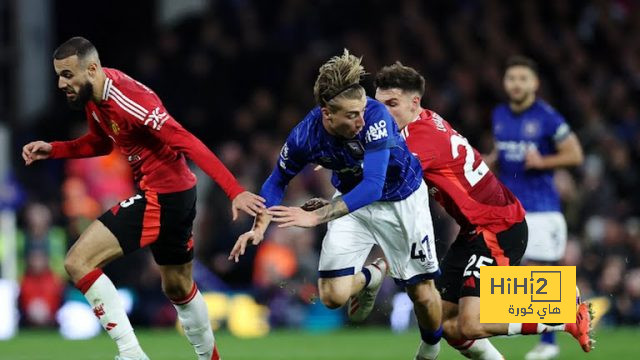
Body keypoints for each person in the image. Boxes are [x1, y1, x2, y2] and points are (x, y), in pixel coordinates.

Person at [21, 36, 265, 360]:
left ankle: (131, 354)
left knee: (77, 261)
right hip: (175, 195)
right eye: (59, 75)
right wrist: (55, 149)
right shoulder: (95, 97)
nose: (61, 83)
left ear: (92, 69)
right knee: (178, 288)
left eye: (68, 74)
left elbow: (185, 141)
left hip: (164, 196)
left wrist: (234, 190)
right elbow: (101, 144)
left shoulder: (128, 99)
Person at [229, 50, 444, 360]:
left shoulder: (376, 118)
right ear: (327, 114)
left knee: (422, 294)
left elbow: (373, 186)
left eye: (361, 111)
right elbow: (277, 180)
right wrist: (260, 224)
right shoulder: (305, 135)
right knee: (331, 296)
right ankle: (374, 274)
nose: (360, 119)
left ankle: (430, 350)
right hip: (351, 204)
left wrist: (317, 218)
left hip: (400, 200)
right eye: (351, 115)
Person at [374, 62, 593, 359]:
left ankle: (564, 309)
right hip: (476, 229)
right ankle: (552, 301)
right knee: (446, 325)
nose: (382, 113)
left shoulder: (418, 139)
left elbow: (383, 178)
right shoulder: (424, 122)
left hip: (498, 226)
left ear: (415, 103)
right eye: (378, 105)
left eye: (391, 104)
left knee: (471, 323)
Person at [490, 55, 584, 360]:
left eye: (522, 79)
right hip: (509, 208)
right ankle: (552, 326)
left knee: (538, 273)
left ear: (534, 83)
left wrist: (543, 162)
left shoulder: (548, 117)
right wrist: (487, 160)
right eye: (511, 78)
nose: (516, 84)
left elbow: (575, 154)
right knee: (508, 274)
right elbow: (501, 153)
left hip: (542, 208)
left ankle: (552, 340)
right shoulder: (499, 114)